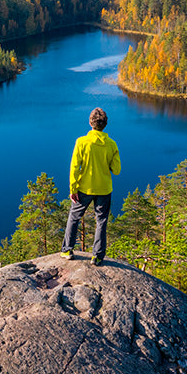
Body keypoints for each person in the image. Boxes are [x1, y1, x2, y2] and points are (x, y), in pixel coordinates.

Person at [60, 107, 121, 266]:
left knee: (74, 218)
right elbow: (117, 170)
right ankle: (98, 256)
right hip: (104, 189)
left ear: (90, 123)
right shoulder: (112, 145)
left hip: (84, 188)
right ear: (105, 124)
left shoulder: (81, 142)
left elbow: (74, 167)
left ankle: (67, 250)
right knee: (101, 221)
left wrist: (73, 189)